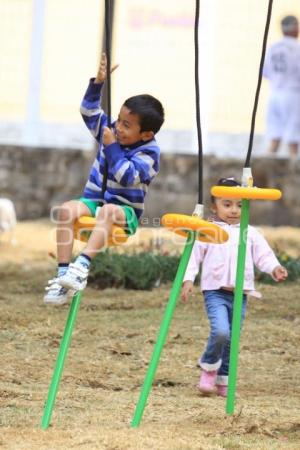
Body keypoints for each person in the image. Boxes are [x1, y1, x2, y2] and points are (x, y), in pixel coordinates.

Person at [44, 53, 164, 305]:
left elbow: (126, 175)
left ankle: (82, 267)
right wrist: (97, 83)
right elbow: (88, 111)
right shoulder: (112, 131)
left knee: (109, 210)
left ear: (146, 134)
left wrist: (111, 147)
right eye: (119, 120)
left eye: (127, 125)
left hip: (124, 213)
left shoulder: (150, 153)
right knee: (66, 210)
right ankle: (63, 275)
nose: (118, 127)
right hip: (93, 200)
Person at [181, 177, 288, 397]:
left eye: (240, 205)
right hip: (215, 291)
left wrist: (275, 267)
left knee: (232, 338)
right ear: (214, 206)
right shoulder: (208, 230)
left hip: (240, 293)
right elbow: (193, 256)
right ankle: (209, 367)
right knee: (221, 332)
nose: (234, 210)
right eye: (227, 204)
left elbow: (264, 256)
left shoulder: (251, 232)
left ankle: (224, 381)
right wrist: (188, 279)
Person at [263, 15, 300, 158]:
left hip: (274, 94)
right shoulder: (297, 48)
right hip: (292, 94)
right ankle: (295, 174)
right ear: (295, 28)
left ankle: (264, 173)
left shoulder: (273, 48)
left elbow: (265, 72)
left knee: (274, 138)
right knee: (293, 139)